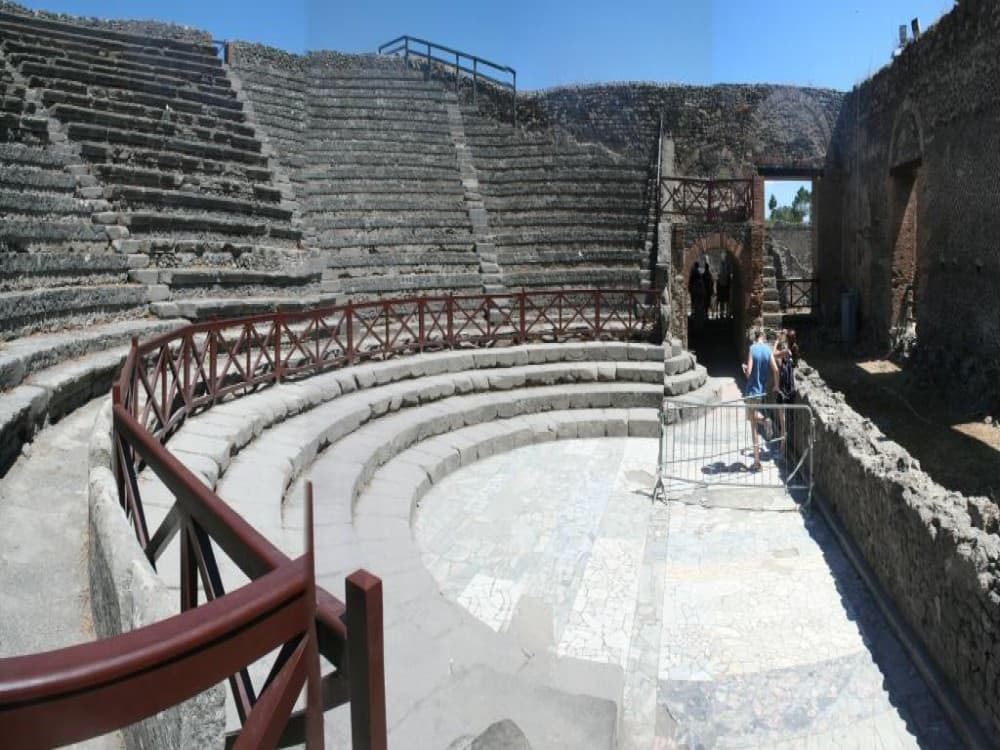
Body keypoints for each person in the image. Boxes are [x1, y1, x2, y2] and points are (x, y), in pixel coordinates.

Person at [741, 329, 779, 471]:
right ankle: (765, 421)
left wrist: (745, 370)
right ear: (763, 337)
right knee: (752, 419)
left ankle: (757, 462)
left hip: (751, 392)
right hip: (761, 392)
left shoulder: (752, 349)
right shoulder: (768, 350)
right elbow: (775, 369)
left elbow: (749, 372)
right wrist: (775, 385)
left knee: (753, 427)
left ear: (756, 338)